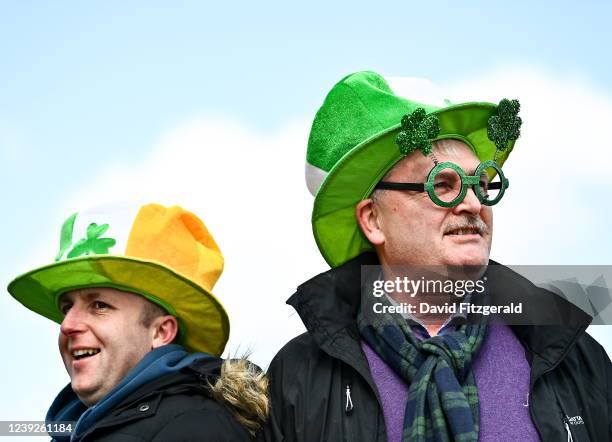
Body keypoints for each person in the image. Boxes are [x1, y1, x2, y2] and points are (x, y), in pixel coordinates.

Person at [260, 71, 612, 441]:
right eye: (443, 184)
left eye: (481, 183)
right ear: (373, 219)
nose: (474, 204)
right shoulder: (299, 377)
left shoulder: (574, 358)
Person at [8, 202, 268, 441]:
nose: (67, 325)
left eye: (99, 306)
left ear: (161, 332)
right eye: (67, 308)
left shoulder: (197, 427)